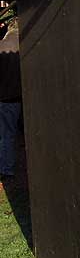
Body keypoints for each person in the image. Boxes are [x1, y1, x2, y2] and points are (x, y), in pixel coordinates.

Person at [0, 18, 21, 179]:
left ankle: (7, 167)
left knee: (6, 134)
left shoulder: (1, 46)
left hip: (5, 98)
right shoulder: (23, 45)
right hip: (17, 97)